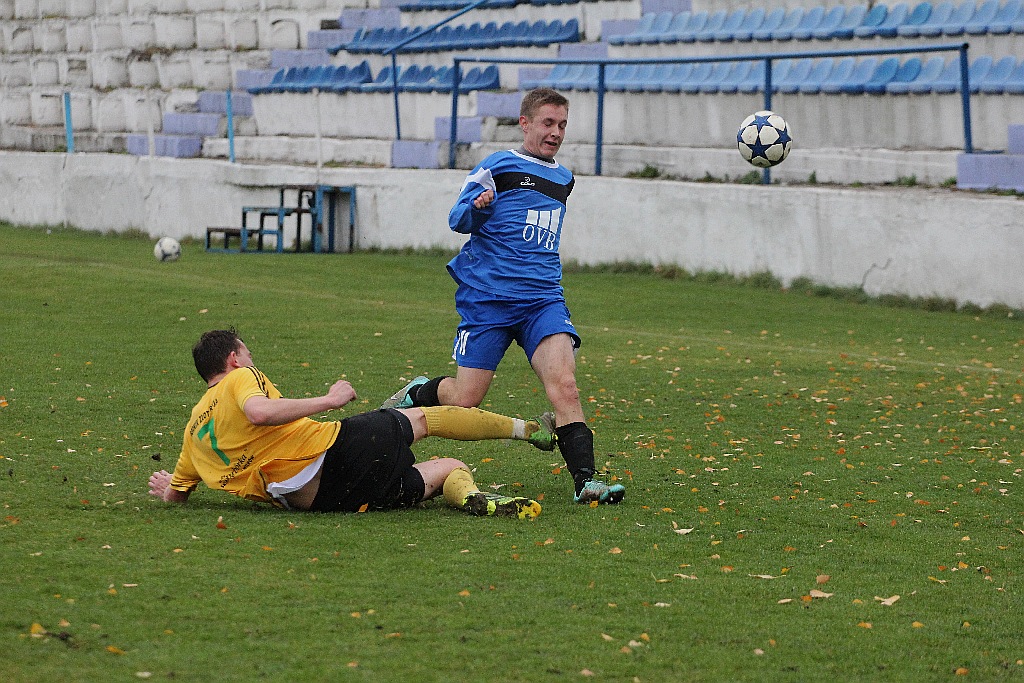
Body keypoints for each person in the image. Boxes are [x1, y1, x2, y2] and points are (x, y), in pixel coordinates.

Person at [381, 88, 625, 506]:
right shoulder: (498, 166)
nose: (556, 132)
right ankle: (421, 391)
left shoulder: (564, 179)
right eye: (548, 123)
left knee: (565, 387)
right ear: (525, 123)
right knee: (466, 399)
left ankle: (586, 482)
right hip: (489, 301)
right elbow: (457, 218)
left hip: (542, 300)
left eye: (562, 125)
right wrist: (478, 208)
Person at [147, 328, 555, 519]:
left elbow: (176, 497)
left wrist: (169, 489)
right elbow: (259, 412)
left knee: (449, 467)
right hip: (332, 453)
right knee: (425, 418)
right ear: (233, 359)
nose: (251, 361)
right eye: (248, 355)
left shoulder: (192, 435)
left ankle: (472, 497)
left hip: (319, 501)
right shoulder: (239, 378)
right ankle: (528, 430)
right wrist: (329, 400)